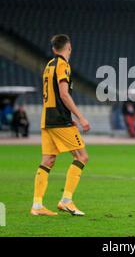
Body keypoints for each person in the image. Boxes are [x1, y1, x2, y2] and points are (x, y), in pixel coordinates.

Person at [31, 34, 90, 216]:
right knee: (81, 156)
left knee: (48, 160)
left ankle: (37, 205)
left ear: (53, 49)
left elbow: (53, 94)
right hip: (59, 120)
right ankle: (66, 200)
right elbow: (64, 94)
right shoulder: (63, 65)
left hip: (47, 118)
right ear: (69, 47)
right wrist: (80, 117)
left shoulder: (49, 65)